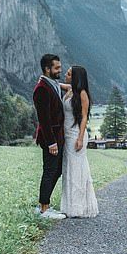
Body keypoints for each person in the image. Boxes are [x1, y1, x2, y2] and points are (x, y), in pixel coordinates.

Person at [60, 65, 98, 218]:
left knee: (77, 170)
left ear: (75, 77)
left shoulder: (82, 94)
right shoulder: (70, 90)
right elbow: (58, 85)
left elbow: (84, 117)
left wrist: (80, 138)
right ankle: (70, 204)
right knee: (68, 169)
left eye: (69, 74)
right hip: (67, 134)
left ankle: (78, 207)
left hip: (76, 135)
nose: (65, 75)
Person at [33, 54, 66, 219]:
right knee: (50, 170)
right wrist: (51, 143)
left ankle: (43, 204)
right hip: (50, 138)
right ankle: (44, 209)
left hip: (57, 137)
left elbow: (58, 87)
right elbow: (44, 120)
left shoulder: (51, 84)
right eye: (57, 68)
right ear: (47, 69)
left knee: (57, 169)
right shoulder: (41, 89)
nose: (60, 70)